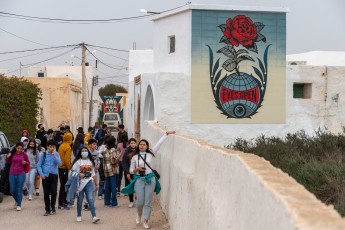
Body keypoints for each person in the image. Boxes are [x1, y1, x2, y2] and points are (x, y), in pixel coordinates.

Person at [122, 130, 175, 229]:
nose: (142, 146)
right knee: (140, 202)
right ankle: (138, 215)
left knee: (148, 202)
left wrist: (166, 134)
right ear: (138, 146)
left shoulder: (151, 153)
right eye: (140, 144)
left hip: (150, 179)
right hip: (139, 180)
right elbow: (130, 171)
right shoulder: (134, 157)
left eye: (144, 144)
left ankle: (146, 221)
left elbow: (159, 144)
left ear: (147, 146)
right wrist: (136, 169)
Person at [71, 147, 100, 223]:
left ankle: (94, 216)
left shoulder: (91, 162)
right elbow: (72, 172)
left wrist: (96, 184)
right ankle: (79, 215)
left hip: (89, 182)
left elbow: (93, 174)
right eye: (83, 151)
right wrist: (78, 174)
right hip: (79, 183)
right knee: (80, 200)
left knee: (90, 199)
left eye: (86, 151)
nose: (84, 152)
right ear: (80, 153)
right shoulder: (77, 162)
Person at [37, 139, 62, 216]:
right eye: (50, 146)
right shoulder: (43, 155)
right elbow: (39, 165)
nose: (52, 148)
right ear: (47, 147)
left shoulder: (56, 154)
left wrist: (55, 156)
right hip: (45, 175)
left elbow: (60, 164)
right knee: (46, 193)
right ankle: (47, 209)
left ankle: (53, 207)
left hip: (54, 175)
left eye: (53, 147)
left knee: (54, 192)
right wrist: (41, 174)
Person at [6, 142, 30, 211]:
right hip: (12, 173)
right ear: (15, 147)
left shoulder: (24, 154)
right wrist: (8, 157)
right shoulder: (12, 154)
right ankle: (17, 200)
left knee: (19, 189)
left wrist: (25, 163)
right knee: (12, 190)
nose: (19, 150)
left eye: (21, 149)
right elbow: (7, 162)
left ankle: (19, 205)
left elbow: (28, 162)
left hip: (21, 173)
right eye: (18, 148)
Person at [102, 136, 120, 207]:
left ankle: (107, 202)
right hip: (113, 171)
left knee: (107, 187)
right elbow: (113, 161)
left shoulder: (105, 150)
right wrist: (119, 155)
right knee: (113, 187)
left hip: (106, 170)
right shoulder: (113, 150)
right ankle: (114, 202)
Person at [83, 138, 100, 211]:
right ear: (89, 145)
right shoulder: (86, 152)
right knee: (87, 187)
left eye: (95, 144)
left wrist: (99, 164)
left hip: (95, 172)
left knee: (95, 188)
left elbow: (98, 160)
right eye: (93, 144)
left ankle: (92, 203)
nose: (95, 145)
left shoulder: (97, 152)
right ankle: (86, 203)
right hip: (88, 172)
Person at [57, 132, 73, 209]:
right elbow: (67, 160)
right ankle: (62, 202)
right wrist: (70, 168)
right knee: (65, 186)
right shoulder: (68, 147)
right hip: (64, 168)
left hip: (60, 167)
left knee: (62, 185)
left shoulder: (61, 145)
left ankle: (62, 202)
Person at [122, 138, 137, 208]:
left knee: (138, 185)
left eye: (134, 143)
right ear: (129, 144)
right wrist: (127, 172)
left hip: (137, 172)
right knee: (130, 186)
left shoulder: (138, 151)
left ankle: (138, 199)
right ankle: (131, 201)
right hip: (129, 172)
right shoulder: (126, 152)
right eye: (131, 143)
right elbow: (124, 163)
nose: (133, 144)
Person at [116, 124, 128, 196]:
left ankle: (118, 191)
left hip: (120, 161)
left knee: (119, 176)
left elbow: (116, 151)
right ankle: (126, 191)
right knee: (126, 176)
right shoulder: (128, 145)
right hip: (126, 162)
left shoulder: (119, 145)